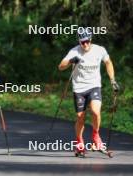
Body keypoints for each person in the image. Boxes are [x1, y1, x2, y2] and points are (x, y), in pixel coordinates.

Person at [58, 27, 119, 156]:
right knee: (80, 117)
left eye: (87, 41)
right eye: (82, 42)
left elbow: (108, 62)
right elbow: (61, 67)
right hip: (79, 88)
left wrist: (112, 80)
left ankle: (96, 137)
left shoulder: (99, 50)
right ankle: (79, 142)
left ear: (90, 40)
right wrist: (71, 61)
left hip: (94, 86)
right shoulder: (74, 51)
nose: (85, 44)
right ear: (79, 42)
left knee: (96, 112)